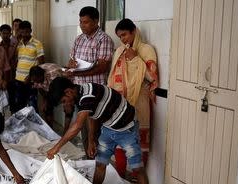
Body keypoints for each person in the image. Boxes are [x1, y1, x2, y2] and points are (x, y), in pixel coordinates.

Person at [46, 77, 149, 184]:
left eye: (64, 101)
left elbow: (77, 126)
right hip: (109, 128)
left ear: (69, 91)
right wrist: (91, 140)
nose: (66, 104)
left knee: (137, 168)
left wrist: (56, 148)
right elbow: (92, 116)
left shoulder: (87, 96)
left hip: (127, 129)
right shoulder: (81, 95)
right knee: (100, 164)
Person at [108, 18, 159, 173]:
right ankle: (121, 178)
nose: (123, 40)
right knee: (118, 140)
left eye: (124, 35)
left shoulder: (146, 50)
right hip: (120, 103)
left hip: (139, 102)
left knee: (138, 142)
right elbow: (113, 77)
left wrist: (135, 58)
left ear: (134, 32)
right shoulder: (119, 51)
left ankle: (137, 180)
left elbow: (152, 77)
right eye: (120, 37)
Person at [65, 6, 114, 154]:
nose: (82, 25)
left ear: (96, 21)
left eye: (86, 22)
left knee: (95, 130)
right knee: (84, 130)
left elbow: (102, 67)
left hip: (95, 93)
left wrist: (79, 74)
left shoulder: (104, 39)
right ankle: (89, 162)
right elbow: (71, 61)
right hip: (80, 91)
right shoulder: (79, 39)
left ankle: (97, 164)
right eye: (80, 22)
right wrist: (70, 67)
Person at [12, 20, 44, 113]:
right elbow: (14, 59)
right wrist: (17, 43)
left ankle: (34, 127)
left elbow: (41, 63)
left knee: (32, 105)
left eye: (26, 31)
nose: (24, 34)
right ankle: (21, 126)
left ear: (30, 30)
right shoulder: (19, 44)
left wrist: (30, 77)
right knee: (19, 106)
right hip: (18, 79)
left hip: (31, 80)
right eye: (22, 32)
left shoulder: (37, 43)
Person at [29, 63, 63, 129]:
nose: (34, 82)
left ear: (41, 77)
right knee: (45, 108)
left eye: (36, 80)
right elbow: (39, 87)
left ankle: (51, 129)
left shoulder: (53, 76)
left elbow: (53, 91)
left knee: (48, 107)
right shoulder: (35, 75)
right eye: (33, 80)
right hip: (49, 84)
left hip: (61, 85)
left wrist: (46, 102)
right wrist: (44, 99)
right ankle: (49, 128)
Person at [0, 24, 18, 113]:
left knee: (13, 101)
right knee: (0, 101)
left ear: (10, 34)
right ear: (0, 34)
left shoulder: (15, 46)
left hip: (13, 76)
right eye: (3, 33)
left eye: (7, 33)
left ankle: (14, 122)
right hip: (1, 77)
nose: (5, 35)